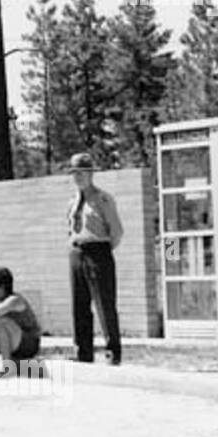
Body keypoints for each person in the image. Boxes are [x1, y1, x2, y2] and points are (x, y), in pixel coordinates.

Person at [65, 152, 125, 365]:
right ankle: (83, 351)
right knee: (79, 304)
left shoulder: (102, 199)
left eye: (82, 173)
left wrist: (102, 248)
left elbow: (117, 231)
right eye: (74, 173)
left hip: (98, 250)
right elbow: (70, 228)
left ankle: (112, 351)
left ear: (91, 174)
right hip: (77, 252)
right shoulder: (73, 201)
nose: (78, 177)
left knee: (104, 304)